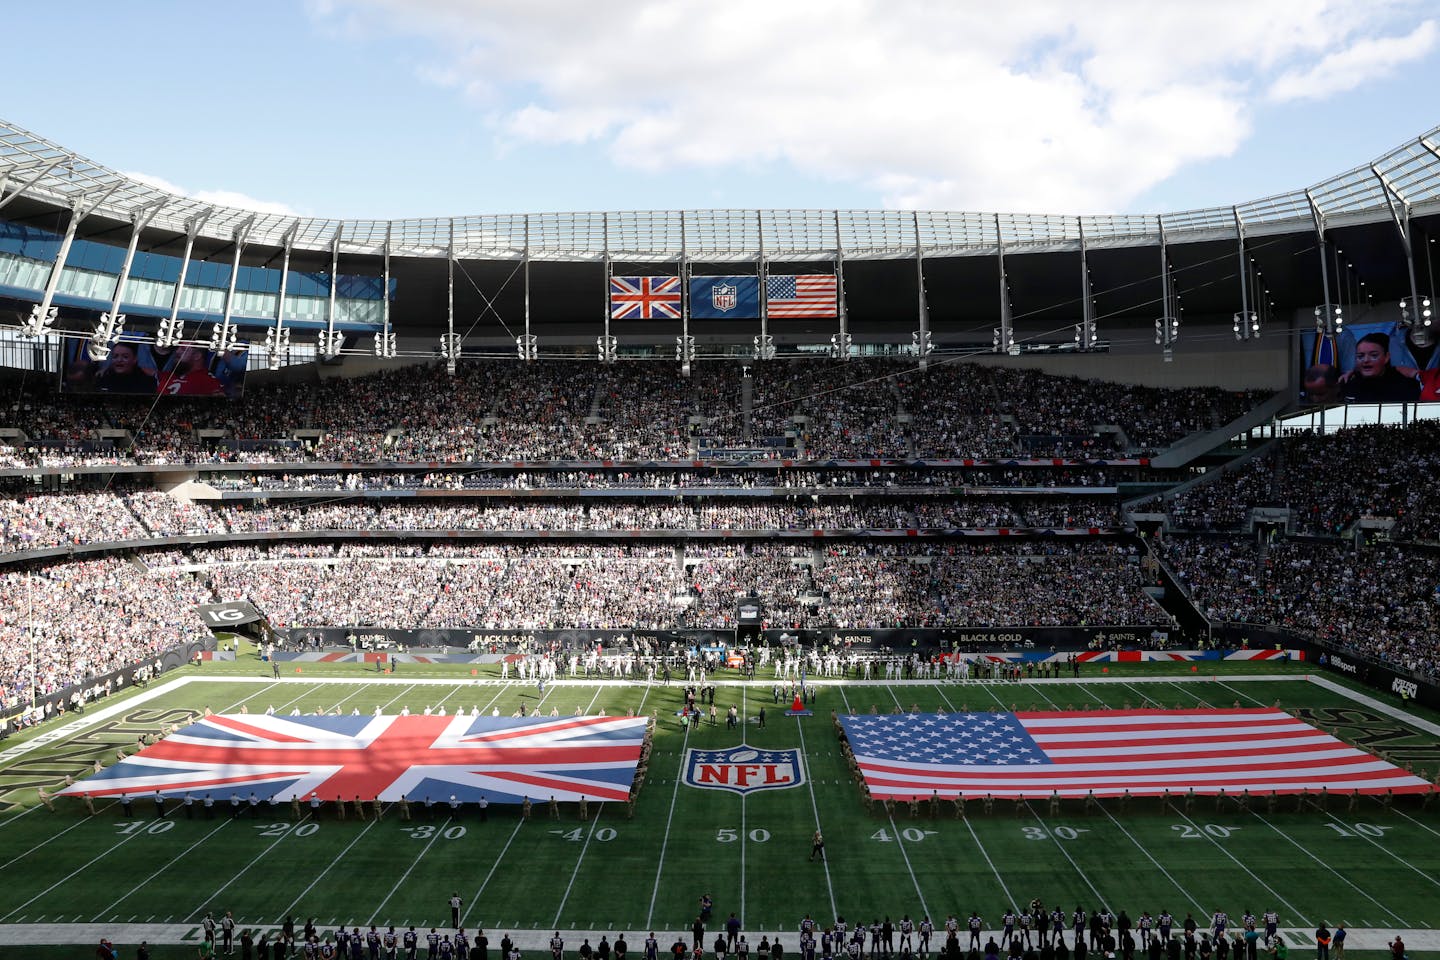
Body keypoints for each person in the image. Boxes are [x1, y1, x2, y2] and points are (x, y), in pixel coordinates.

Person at [1341, 333, 1420, 402]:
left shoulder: (1405, 386)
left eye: (1374, 355)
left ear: (1386, 357)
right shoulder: (1348, 384)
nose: (1366, 360)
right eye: (1360, 356)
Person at [157, 344, 228, 397]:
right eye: (177, 348)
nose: (177, 351)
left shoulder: (209, 382)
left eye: (183, 349)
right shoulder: (167, 376)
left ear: (197, 356)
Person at [95, 341, 159, 394]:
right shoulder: (103, 377)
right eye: (115, 356)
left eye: (125, 357)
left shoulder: (146, 381)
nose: (119, 360)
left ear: (135, 359)